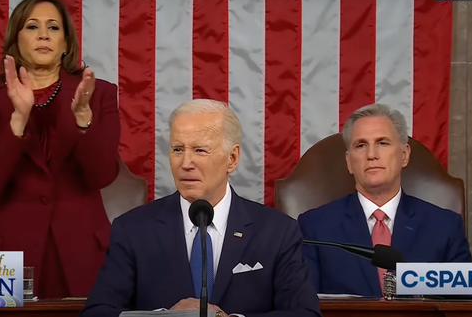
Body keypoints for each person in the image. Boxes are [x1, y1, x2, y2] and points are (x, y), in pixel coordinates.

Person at [80, 99, 322, 317]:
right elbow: (97, 313)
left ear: (232, 159)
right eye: (178, 149)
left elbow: (305, 314)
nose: (186, 163)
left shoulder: (277, 232)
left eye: (199, 150)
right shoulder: (133, 230)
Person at [0, 0, 120, 299]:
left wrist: (83, 121)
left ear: (65, 43)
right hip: (5, 251)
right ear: (15, 39)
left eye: (54, 28)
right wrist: (17, 122)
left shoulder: (98, 94)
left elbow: (102, 176)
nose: (44, 35)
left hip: (82, 250)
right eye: (32, 26)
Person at [297, 103, 472, 298]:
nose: (372, 155)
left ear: (404, 155)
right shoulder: (315, 227)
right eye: (361, 145)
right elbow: (304, 306)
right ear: (349, 162)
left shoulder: (445, 226)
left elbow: (463, 303)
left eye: (382, 143)